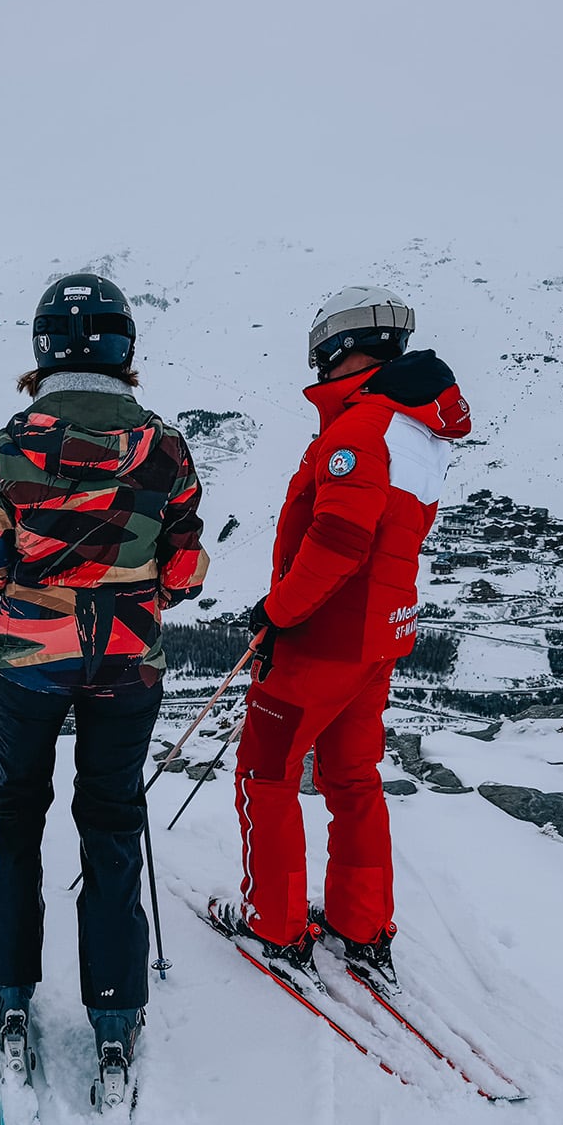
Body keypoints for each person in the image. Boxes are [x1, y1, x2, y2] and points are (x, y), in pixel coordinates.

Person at [0, 272, 208, 1095]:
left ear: (42, 350)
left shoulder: (12, 446)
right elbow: (186, 573)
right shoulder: (165, 447)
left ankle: (11, 996)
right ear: (125, 348)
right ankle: (115, 1017)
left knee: (17, 807)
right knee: (113, 818)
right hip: (127, 660)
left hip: (29, 660)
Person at [208, 285, 471, 989]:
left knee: (264, 773)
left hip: (323, 641)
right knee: (352, 780)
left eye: (320, 356)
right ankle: (361, 925)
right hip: (377, 639)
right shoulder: (411, 429)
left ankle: (275, 925)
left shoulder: (358, 430)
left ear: (335, 350)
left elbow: (339, 541)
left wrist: (278, 613)